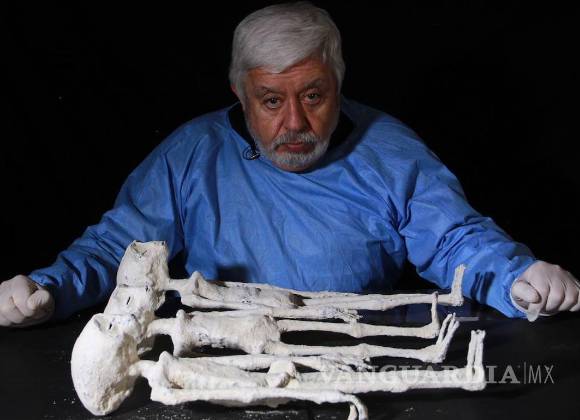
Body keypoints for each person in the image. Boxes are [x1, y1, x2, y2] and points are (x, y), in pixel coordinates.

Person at [1, 2, 578, 328]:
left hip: (357, 358)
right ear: (240, 93)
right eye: (272, 101)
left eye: (314, 96)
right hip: (219, 363)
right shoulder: (192, 153)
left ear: (338, 84)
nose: (295, 123)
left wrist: (517, 277)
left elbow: (455, 241)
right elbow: (117, 249)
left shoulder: (389, 152)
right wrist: (49, 288)